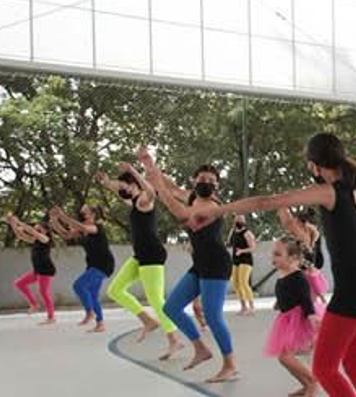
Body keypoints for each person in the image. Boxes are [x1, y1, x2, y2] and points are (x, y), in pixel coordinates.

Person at [209, 133, 356, 397]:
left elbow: (267, 201)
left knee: (324, 368)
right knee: (354, 365)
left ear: (314, 164)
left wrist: (221, 209)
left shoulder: (329, 190)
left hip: (355, 289)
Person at [137, 155, 239, 383]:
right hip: (200, 264)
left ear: (217, 185)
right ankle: (200, 348)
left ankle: (230, 364)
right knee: (171, 308)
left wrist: (158, 188)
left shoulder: (214, 206)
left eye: (212, 180)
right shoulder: (192, 196)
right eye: (203, 178)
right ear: (194, 181)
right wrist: (149, 164)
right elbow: (171, 187)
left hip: (216, 265)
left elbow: (183, 215)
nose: (207, 182)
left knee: (212, 316)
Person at [100, 168, 183, 359]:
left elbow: (152, 192)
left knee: (155, 299)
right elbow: (118, 188)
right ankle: (148, 321)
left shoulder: (144, 201)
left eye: (125, 186)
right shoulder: (134, 202)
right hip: (140, 256)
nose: (122, 190)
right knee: (115, 290)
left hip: (152, 255)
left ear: (134, 185)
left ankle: (174, 339)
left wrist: (132, 171)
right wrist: (107, 183)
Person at [263, 237, 319, 397]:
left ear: (293, 258)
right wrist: (279, 303)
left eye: (278, 254)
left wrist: (311, 318)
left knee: (285, 356)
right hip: (285, 318)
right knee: (283, 358)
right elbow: (285, 293)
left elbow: (306, 300)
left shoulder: (298, 277)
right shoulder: (283, 274)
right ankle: (306, 384)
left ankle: (313, 381)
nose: (273, 258)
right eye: (273, 254)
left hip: (298, 319)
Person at [49, 203, 114, 334]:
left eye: (85, 211)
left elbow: (82, 226)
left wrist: (62, 215)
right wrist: (54, 220)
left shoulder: (97, 228)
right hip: (93, 265)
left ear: (93, 214)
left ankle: (90, 312)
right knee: (93, 295)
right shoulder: (83, 230)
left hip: (103, 264)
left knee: (79, 285)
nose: (82, 213)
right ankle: (100, 324)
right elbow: (66, 235)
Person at [6, 213, 56, 325]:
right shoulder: (36, 240)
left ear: (45, 230)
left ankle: (51, 317)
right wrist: (13, 223)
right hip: (37, 270)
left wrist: (18, 221)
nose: (36, 230)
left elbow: (32, 232)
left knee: (44, 292)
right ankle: (34, 304)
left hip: (46, 270)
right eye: (36, 228)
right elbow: (21, 236)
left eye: (38, 228)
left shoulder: (45, 239)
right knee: (19, 283)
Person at [229, 215, 258, 316]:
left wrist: (242, 251)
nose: (238, 222)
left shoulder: (247, 233)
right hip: (235, 260)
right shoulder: (233, 232)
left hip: (246, 260)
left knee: (243, 283)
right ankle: (243, 307)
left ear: (244, 221)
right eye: (236, 220)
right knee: (236, 284)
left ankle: (252, 307)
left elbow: (253, 247)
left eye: (240, 220)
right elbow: (230, 243)